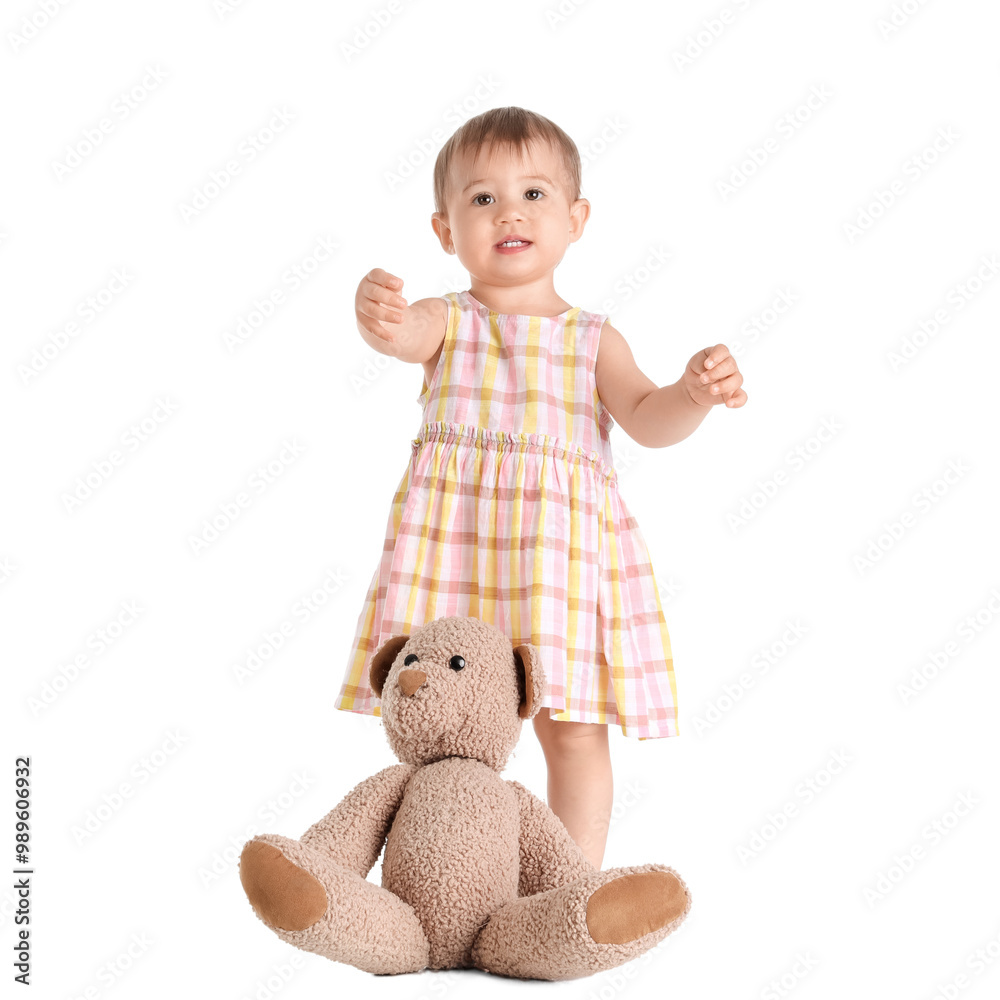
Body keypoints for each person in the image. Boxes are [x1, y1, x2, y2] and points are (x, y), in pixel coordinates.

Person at [334, 106, 747, 870]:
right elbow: (401, 335)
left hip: (557, 563)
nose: (510, 213)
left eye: (533, 194)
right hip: (457, 554)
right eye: (482, 198)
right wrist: (377, 316)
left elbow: (647, 418)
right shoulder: (448, 323)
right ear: (445, 230)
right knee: (444, 724)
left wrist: (691, 395)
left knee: (574, 728)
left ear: (575, 218)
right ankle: (448, 879)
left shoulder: (592, 339)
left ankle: (573, 886)